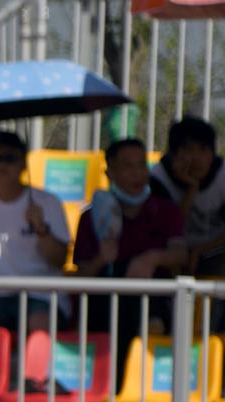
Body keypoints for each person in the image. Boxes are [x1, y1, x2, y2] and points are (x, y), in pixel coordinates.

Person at [74, 137, 187, 382]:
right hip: (104, 307)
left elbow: (180, 253)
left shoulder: (166, 210)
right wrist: (101, 259)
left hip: (152, 299)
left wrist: (153, 257)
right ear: (109, 172)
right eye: (127, 166)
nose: (136, 174)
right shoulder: (91, 218)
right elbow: (81, 277)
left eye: (141, 165)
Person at [0, 130, 72, 340]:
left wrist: (41, 229)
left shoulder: (47, 203)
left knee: (39, 324)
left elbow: (59, 260)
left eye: (9, 158)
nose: (1, 165)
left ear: (23, 163)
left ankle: (34, 374)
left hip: (42, 296)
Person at [149, 116, 225, 276]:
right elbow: (168, 230)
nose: (197, 158)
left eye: (204, 150)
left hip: (215, 253)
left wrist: (201, 250)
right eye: (189, 149)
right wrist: (192, 188)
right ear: (173, 153)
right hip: (171, 257)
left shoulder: (222, 176)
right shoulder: (159, 178)